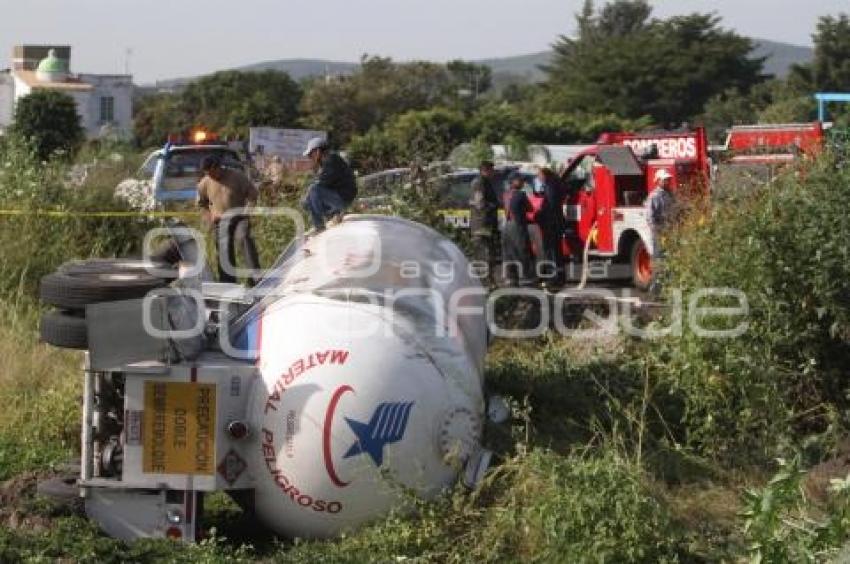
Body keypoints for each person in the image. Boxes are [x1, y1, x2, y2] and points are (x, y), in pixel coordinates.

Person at [198, 155, 262, 285]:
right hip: (220, 222)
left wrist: (246, 212)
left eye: (212, 172)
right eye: (207, 174)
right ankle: (228, 284)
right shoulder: (204, 183)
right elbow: (201, 204)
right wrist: (209, 217)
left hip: (239, 218)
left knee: (244, 239)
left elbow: (253, 195)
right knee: (224, 251)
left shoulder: (237, 176)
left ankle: (256, 278)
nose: (211, 176)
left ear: (218, 167)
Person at [301, 137, 357, 231]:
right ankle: (334, 215)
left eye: (311, 154)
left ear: (318, 151)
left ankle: (320, 226)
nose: (310, 158)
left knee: (313, 190)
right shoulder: (327, 161)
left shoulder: (331, 160)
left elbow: (322, 183)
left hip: (343, 198)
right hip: (337, 196)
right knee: (308, 200)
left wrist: (308, 196)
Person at [645, 169, 677, 294]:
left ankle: (667, 288)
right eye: (665, 180)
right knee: (659, 260)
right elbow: (650, 217)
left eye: (668, 179)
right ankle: (656, 291)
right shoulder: (654, 196)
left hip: (670, 231)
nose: (668, 181)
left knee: (669, 260)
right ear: (658, 181)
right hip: (660, 232)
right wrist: (658, 232)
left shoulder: (669, 194)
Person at [469, 160, 500, 284]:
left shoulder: (486, 182)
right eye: (491, 170)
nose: (493, 172)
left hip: (487, 225)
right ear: (485, 170)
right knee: (484, 255)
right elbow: (479, 203)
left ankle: (489, 280)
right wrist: (494, 205)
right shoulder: (479, 183)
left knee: (490, 255)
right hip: (482, 225)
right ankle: (484, 282)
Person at [501, 172, 535, 287]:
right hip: (517, 226)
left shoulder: (505, 194)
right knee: (523, 251)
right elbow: (530, 208)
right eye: (519, 180)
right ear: (512, 182)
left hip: (506, 226)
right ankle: (527, 279)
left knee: (509, 253)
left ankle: (511, 279)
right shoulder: (521, 194)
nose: (522, 182)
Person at [534, 167, 566, 286]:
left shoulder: (550, 185)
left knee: (552, 251)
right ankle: (559, 276)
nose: (538, 178)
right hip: (556, 222)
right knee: (556, 251)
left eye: (539, 175)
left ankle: (554, 277)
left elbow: (551, 205)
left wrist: (540, 214)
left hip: (551, 223)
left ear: (544, 175)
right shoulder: (555, 184)